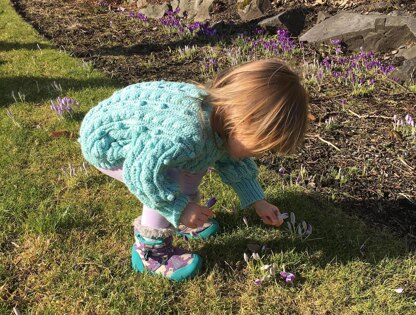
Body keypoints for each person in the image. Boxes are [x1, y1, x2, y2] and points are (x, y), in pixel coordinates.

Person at [78, 58, 309, 281]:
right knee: (166, 177)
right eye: (260, 146)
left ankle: (176, 220)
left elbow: (233, 160)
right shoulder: (187, 134)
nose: (259, 154)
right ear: (244, 120)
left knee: (189, 167)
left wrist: (258, 201)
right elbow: (144, 175)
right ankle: (150, 252)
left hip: (148, 145)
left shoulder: (222, 120)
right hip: (106, 142)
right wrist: (181, 207)